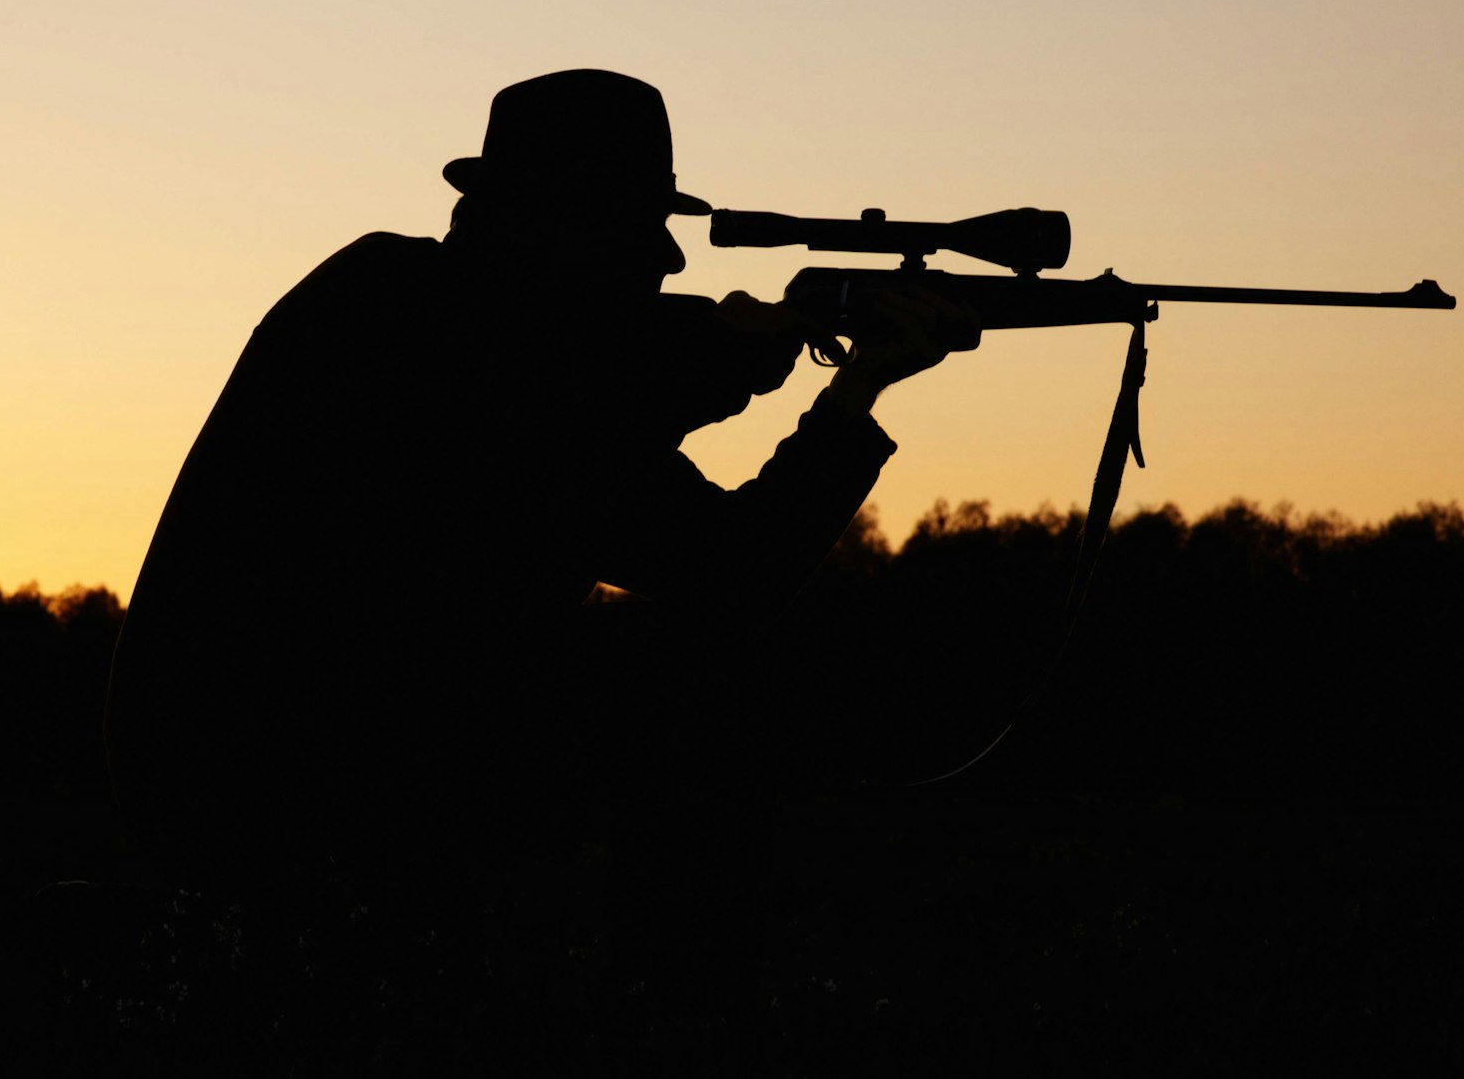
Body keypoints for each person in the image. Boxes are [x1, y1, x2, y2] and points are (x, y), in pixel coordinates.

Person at [101, 69, 978, 1060]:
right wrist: (855, 387)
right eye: (636, 226)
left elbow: (597, 388)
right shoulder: (495, 362)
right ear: (565, 226)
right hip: (315, 836)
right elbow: (731, 564)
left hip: (222, 804)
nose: (661, 255)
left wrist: (753, 351)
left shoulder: (374, 289)